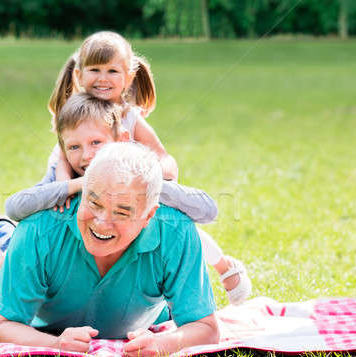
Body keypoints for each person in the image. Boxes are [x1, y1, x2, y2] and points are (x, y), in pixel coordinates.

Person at [0, 92, 250, 309]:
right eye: (74, 147)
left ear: (122, 139)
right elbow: (15, 207)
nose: (86, 155)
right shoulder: (66, 178)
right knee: (6, 249)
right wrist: (75, 185)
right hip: (36, 248)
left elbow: (207, 211)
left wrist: (152, 185)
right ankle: (0, 240)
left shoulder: (137, 180)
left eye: (96, 143)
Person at [48, 31, 251, 304]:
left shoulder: (130, 117)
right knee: (48, 223)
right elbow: (62, 157)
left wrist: (153, 172)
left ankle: (223, 266)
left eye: (112, 71)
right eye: (95, 70)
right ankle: (12, 268)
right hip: (83, 191)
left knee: (171, 224)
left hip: (126, 192)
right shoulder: (75, 112)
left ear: (129, 77)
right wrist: (65, 188)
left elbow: (165, 158)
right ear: (79, 75)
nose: (103, 78)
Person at [0, 142, 219, 357]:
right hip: (44, 315)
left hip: (142, 320)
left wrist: (160, 344)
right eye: (94, 203)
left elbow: (205, 328)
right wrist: (56, 344)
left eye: (122, 212)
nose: (102, 223)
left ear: (148, 215)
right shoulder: (38, 229)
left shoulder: (176, 231)